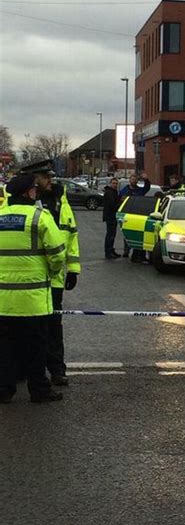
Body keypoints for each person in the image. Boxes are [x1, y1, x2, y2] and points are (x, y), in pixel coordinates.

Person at [0, 174, 66, 403]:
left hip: (3, 300)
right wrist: (52, 272)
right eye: (34, 190)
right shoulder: (40, 217)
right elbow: (58, 254)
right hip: (33, 299)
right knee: (36, 347)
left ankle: (4, 390)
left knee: (5, 347)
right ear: (29, 193)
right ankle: (38, 389)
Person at [22, 159, 81, 387]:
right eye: (46, 177)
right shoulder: (19, 202)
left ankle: (56, 369)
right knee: (26, 326)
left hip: (54, 278)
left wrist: (73, 269)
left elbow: (71, 235)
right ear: (34, 179)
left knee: (53, 327)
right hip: (30, 277)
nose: (51, 180)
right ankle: (23, 370)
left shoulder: (60, 200)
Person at [119, 172, 150, 257]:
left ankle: (136, 253)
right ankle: (126, 251)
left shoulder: (139, 190)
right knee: (127, 234)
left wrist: (146, 179)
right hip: (127, 216)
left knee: (137, 234)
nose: (134, 181)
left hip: (137, 216)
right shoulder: (125, 190)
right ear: (130, 180)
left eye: (135, 179)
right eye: (132, 179)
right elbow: (119, 200)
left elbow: (147, 188)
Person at [102, 177, 120, 259]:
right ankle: (108, 252)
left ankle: (111, 250)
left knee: (112, 234)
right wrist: (120, 203)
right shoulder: (109, 193)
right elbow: (112, 205)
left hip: (113, 216)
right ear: (110, 183)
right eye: (113, 183)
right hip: (110, 216)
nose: (115, 185)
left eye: (116, 183)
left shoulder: (114, 192)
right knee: (110, 235)